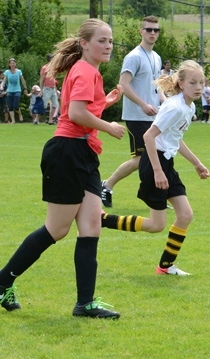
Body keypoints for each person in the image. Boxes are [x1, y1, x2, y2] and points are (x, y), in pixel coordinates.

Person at [0, 18, 126, 318]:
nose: (108, 45)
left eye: (110, 41)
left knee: (91, 225)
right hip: (67, 153)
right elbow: (76, 114)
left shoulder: (89, 70)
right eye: (101, 40)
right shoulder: (84, 70)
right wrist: (108, 126)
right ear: (84, 43)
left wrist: (104, 103)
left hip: (83, 153)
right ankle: (2, 282)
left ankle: (85, 303)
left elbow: (81, 110)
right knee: (57, 229)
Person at [101, 60, 210, 276]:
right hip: (155, 164)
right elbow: (148, 136)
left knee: (185, 215)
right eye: (193, 83)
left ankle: (165, 267)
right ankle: (102, 220)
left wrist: (196, 163)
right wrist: (158, 171)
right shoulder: (175, 107)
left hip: (166, 163)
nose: (198, 87)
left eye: (201, 82)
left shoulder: (188, 106)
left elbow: (175, 138)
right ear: (181, 84)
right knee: (156, 225)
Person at [100, 16, 163, 208]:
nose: (152, 33)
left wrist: (166, 102)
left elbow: (158, 85)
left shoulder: (156, 57)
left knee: (158, 155)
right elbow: (123, 85)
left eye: (156, 30)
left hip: (154, 116)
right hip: (137, 116)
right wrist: (143, 105)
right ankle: (107, 185)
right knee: (141, 159)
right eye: (149, 29)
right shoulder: (134, 56)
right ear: (141, 31)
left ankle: (158, 196)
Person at [1, 58, 28, 124]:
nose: (12, 64)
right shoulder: (7, 72)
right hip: (9, 90)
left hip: (17, 90)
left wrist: (25, 88)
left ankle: (20, 114)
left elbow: (22, 80)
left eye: (13, 63)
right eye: (11, 63)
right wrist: (1, 86)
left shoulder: (19, 71)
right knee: (10, 107)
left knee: (15, 105)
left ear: (15, 64)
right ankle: (13, 120)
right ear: (9, 64)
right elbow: (4, 81)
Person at [40, 53, 60, 125]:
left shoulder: (54, 68)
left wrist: (56, 89)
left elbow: (54, 79)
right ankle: (36, 119)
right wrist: (41, 90)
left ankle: (50, 120)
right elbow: (42, 79)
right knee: (43, 105)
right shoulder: (44, 68)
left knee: (55, 104)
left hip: (53, 88)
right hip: (47, 88)